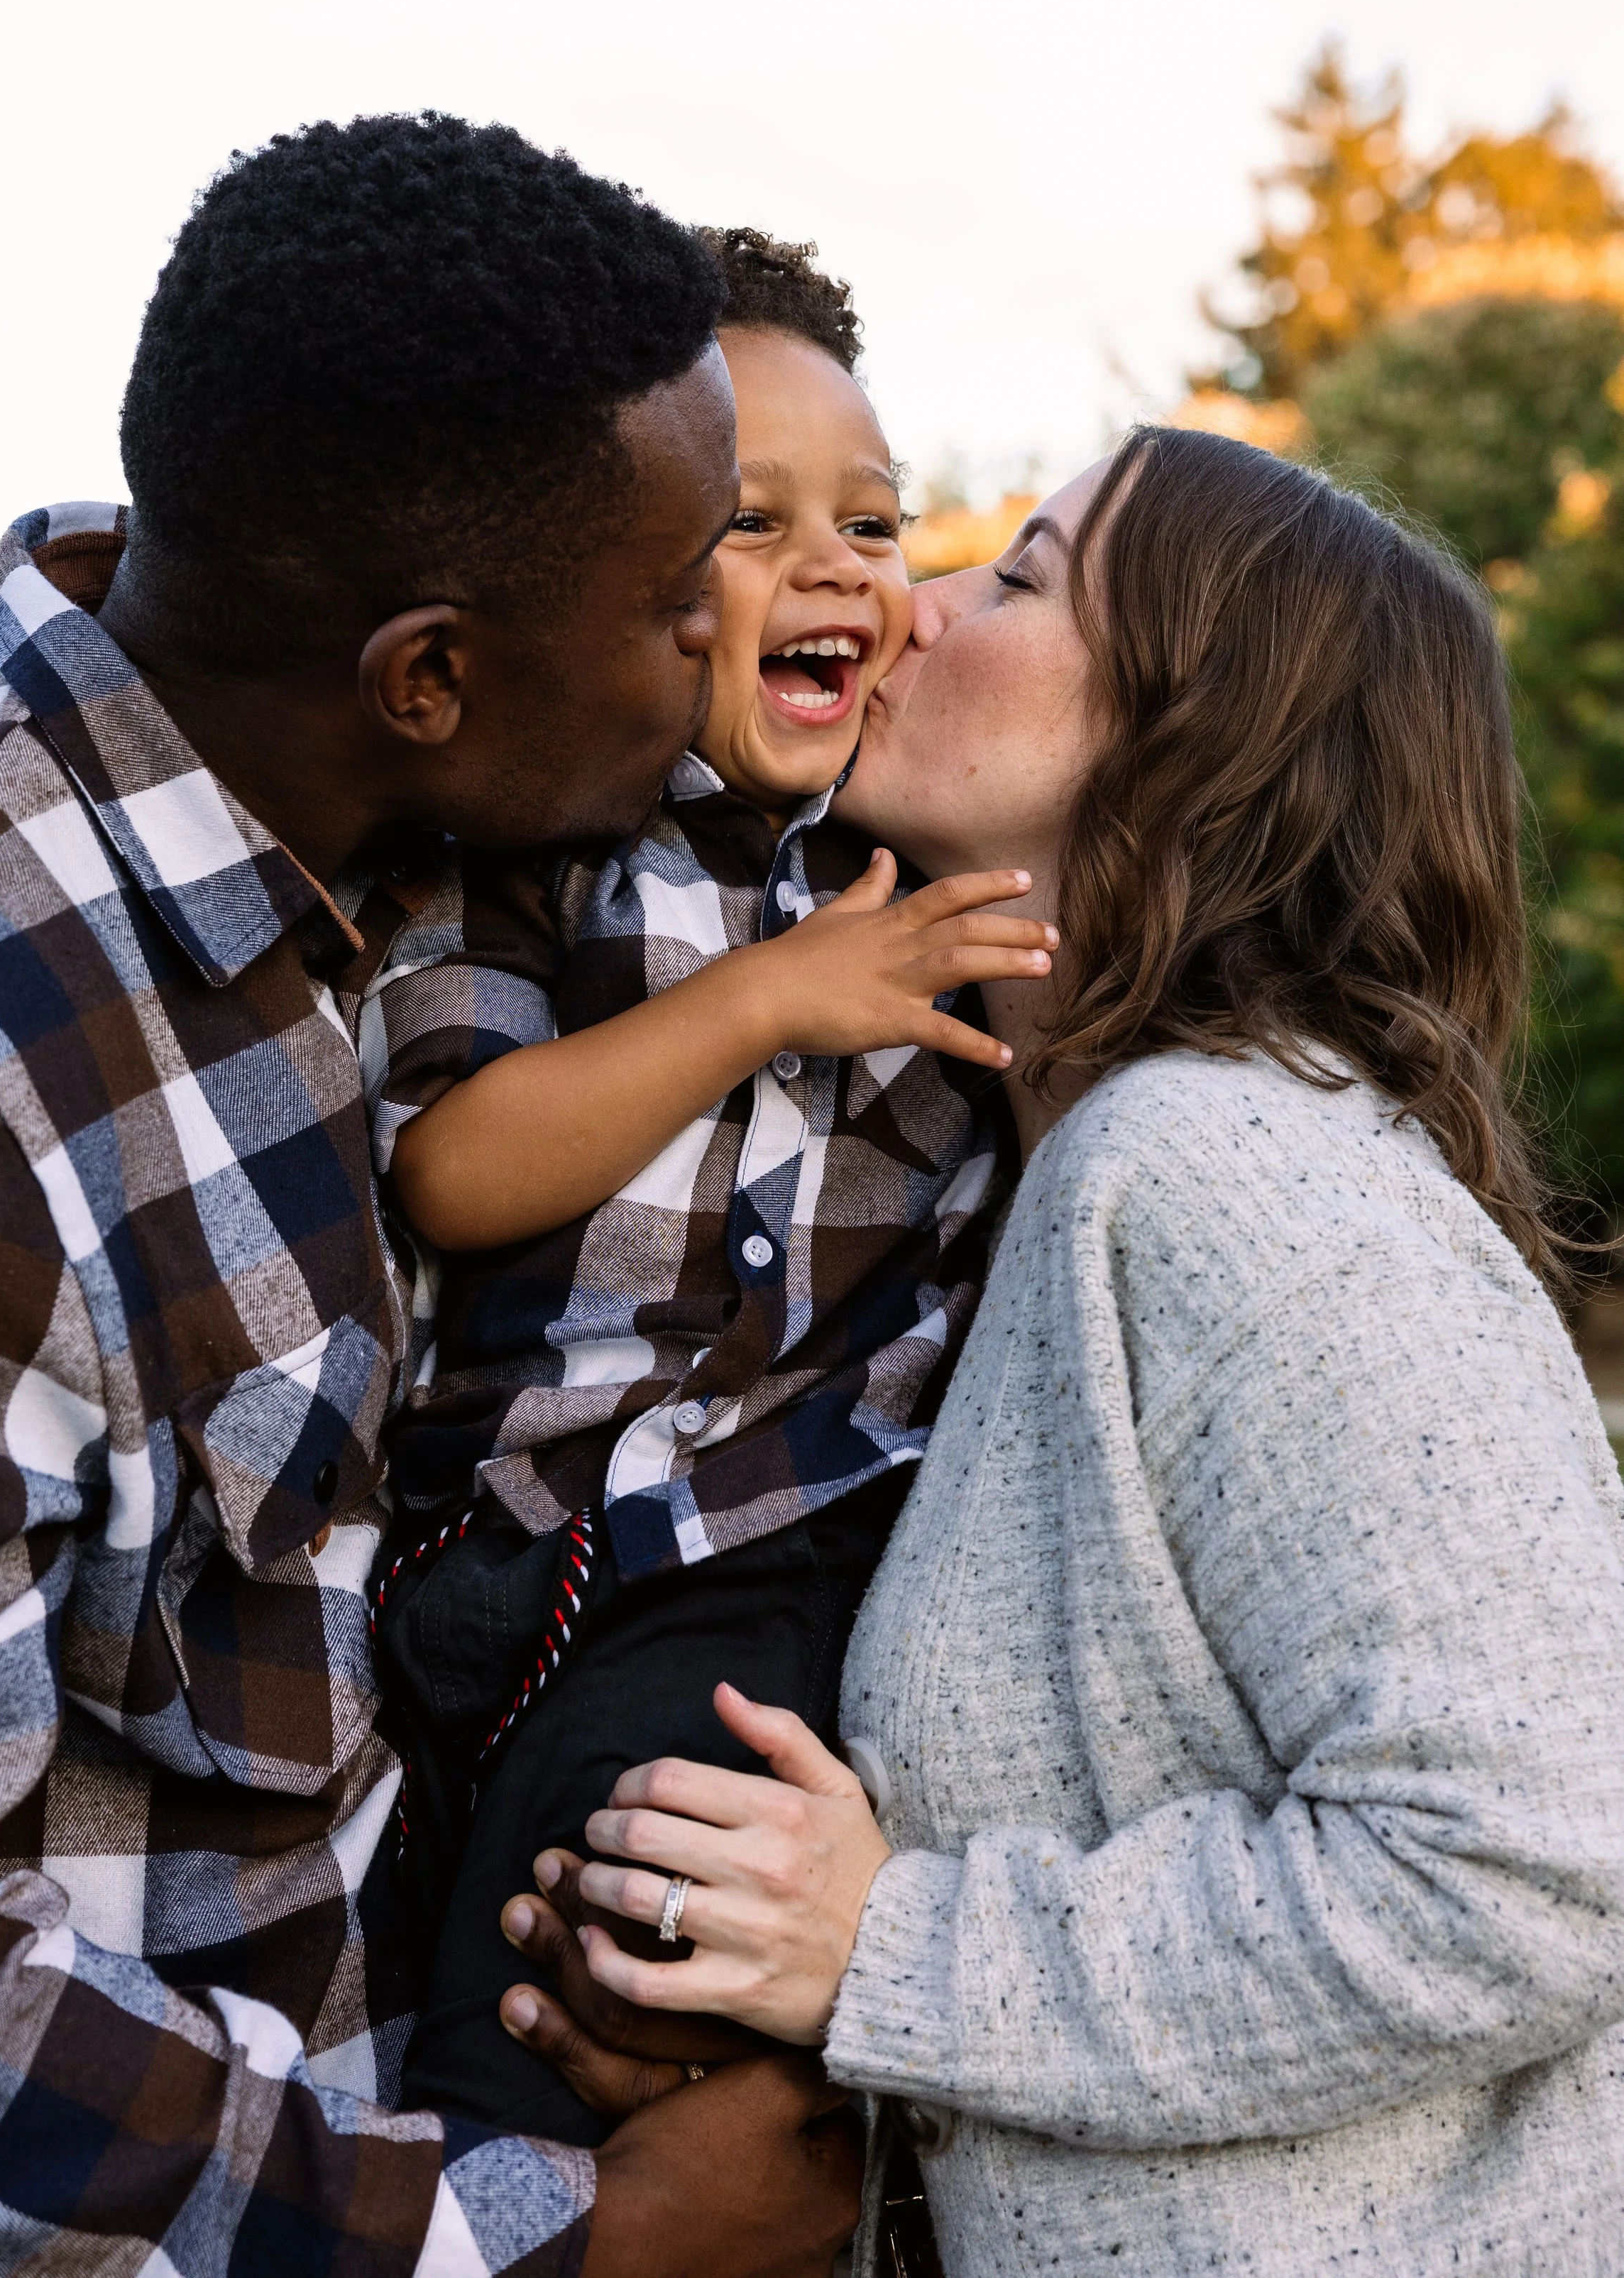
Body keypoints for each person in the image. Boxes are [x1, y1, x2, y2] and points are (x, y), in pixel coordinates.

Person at [0, 114, 862, 2276]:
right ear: (431, 672)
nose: (723, 641)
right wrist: (543, 2241)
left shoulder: (373, 859)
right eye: (680, 597)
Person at [522, 427, 1624, 2275]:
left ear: (1207, 740)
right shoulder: (1032, 1178)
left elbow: (1529, 1862)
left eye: (1018, 577)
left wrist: (889, 1946)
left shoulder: (1224, 1165)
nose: (908, 602)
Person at [363, 232, 1053, 2142]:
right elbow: (454, 1162)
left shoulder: (923, 873)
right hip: (511, 1554)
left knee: (617, 1971)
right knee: (458, 1982)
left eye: (878, 520)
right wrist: (763, 1000)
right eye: (751, 525)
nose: (839, 564)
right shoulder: (539, 853)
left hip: (781, 1552)